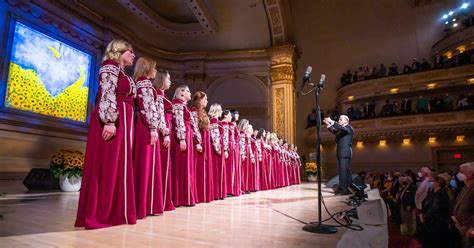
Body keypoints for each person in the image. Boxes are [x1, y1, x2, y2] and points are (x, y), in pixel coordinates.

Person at [75, 39, 137, 229]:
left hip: (123, 120)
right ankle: (102, 212)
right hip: (112, 119)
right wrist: (109, 121)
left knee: (117, 163)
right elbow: (107, 93)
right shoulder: (109, 66)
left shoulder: (120, 71)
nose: (133, 55)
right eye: (130, 51)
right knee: (107, 163)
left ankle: (115, 211)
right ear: (118, 51)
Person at [133, 57, 165, 219]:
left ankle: (146, 204)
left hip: (144, 125)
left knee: (147, 164)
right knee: (145, 164)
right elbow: (147, 108)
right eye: (154, 68)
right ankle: (143, 205)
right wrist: (153, 128)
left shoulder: (141, 83)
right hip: (146, 127)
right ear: (147, 68)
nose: (156, 71)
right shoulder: (144, 84)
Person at [171, 85, 200, 206]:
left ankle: (186, 196)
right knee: (182, 166)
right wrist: (182, 139)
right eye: (188, 91)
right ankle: (181, 197)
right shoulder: (178, 104)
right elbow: (178, 121)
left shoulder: (184, 106)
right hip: (182, 137)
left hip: (187, 136)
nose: (190, 93)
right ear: (181, 93)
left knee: (186, 166)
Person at [154, 70, 174, 211]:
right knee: (161, 165)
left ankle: (161, 199)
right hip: (162, 131)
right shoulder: (159, 94)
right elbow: (160, 115)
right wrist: (165, 133)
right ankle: (158, 200)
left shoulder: (161, 94)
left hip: (164, 130)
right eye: (168, 79)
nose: (170, 82)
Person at [191, 91, 214, 203]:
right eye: (205, 99)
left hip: (205, 140)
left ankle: (204, 194)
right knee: (199, 167)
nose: (207, 101)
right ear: (199, 100)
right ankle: (200, 195)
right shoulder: (194, 111)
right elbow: (194, 128)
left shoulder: (203, 112)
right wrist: (198, 142)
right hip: (200, 141)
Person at [323, 115, 354, 195]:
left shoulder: (349, 128)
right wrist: (328, 125)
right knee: (346, 171)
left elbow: (341, 128)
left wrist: (331, 121)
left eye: (341, 119)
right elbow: (335, 131)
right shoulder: (342, 130)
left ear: (346, 121)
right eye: (339, 119)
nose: (339, 120)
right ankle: (350, 188)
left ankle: (343, 190)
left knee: (343, 171)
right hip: (342, 152)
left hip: (345, 152)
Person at [452, 162, 474, 247]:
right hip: (462, 227)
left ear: (472, 174)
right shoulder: (465, 188)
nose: (459, 175)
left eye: (462, 172)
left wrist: (471, 226)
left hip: (470, 229)